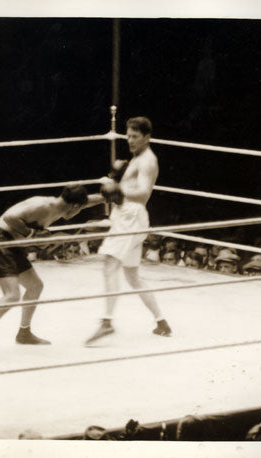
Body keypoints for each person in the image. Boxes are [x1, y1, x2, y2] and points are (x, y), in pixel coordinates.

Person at [0, 185, 105, 364]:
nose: (80, 211)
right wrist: (32, 233)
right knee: (12, 295)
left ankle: (24, 333)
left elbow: (88, 201)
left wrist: (107, 197)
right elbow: (10, 217)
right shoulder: (43, 205)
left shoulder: (64, 205)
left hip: (12, 245)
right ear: (74, 207)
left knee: (35, 286)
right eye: (80, 209)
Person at [85, 116, 172, 345]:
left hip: (130, 218)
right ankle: (161, 322)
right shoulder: (137, 157)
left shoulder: (147, 161)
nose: (130, 140)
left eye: (135, 137)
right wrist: (117, 182)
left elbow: (143, 194)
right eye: (128, 136)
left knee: (109, 264)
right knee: (132, 276)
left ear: (147, 137)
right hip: (129, 218)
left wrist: (117, 191)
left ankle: (106, 322)